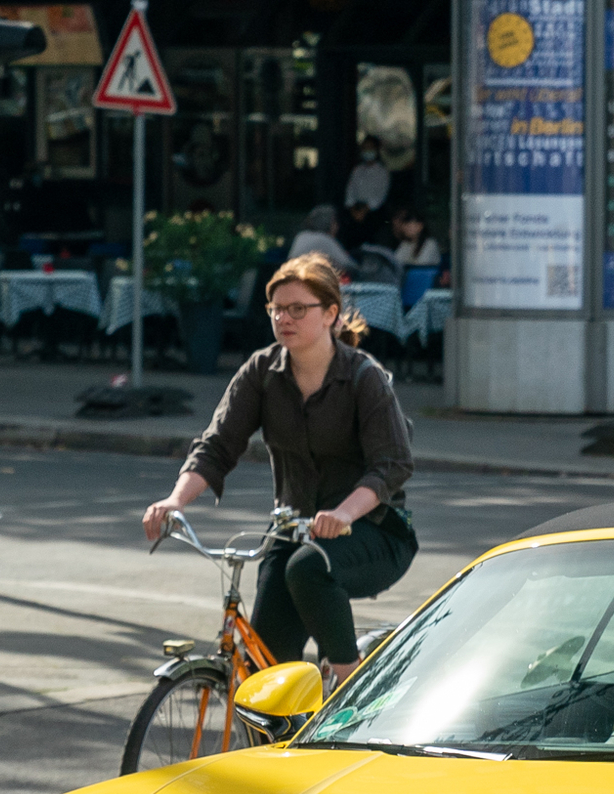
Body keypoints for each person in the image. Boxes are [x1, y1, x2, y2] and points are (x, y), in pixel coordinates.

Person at [141, 254, 415, 686]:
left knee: (309, 568)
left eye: (297, 309)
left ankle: (348, 686)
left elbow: (393, 464)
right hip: (292, 528)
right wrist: (174, 501)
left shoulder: (364, 377)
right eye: (276, 310)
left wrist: (343, 513)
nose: (284, 318)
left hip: (374, 530)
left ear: (330, 314)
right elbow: (216, 446)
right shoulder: (262, 371)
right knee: (265, 673)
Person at [288, 205, 354, 274]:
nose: (337, 226)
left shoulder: (301, 236)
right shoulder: (324, 239)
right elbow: (348, 265)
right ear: (328, 223)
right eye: (334, 222)